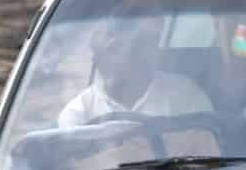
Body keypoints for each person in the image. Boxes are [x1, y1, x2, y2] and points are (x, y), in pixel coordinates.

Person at [57, 11, 211, 128]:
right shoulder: (78, 114)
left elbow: (208, 155)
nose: (120, 56)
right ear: (96, 57)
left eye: (136, 45)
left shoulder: (185, 94)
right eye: (111, 49)